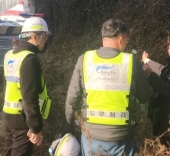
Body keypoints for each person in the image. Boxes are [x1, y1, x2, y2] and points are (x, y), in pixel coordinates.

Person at [63, 18, 152, 156]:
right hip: (121, 138)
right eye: (127, 39)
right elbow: (145, 96)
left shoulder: (85, 59)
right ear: (121, 39)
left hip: (90, 137)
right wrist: (144, 75)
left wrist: (67, 129)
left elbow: (72, 99)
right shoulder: (131, 62)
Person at [3, 17, 52, 156]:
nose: (45, 41)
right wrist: (35, 127)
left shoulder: (10, 55)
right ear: (35, 36)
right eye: (44, 37)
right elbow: (29, 96)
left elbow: (6, 86)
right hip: (22, 119)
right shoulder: (30, 59)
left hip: (9, 116)